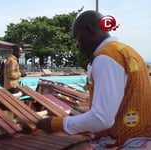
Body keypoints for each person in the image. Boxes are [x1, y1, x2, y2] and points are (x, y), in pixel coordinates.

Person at [37, 10, 151, 149]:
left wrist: (56, 124)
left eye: (77, 37)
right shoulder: (129, 52)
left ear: (89, 30)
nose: (77, 44)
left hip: (123, 143)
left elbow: (102, 119)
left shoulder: (106, 58)